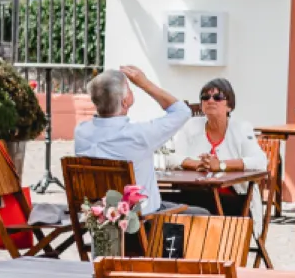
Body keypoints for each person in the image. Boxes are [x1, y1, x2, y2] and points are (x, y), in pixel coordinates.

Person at [74, 64, 201, 215]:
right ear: (125, 101)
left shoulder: (81, 132)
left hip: (103, 220)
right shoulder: (140, 135)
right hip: (144, 222)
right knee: (203, 214)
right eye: (129, 88)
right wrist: (144, 83)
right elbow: (182, 111)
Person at [168, 76, 266, 217]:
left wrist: (221, 165)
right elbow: (171, 157)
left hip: (234, 200)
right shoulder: (191, 125)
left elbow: (260, 162)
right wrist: (196, 164)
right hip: (194, 194)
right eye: (205, 97)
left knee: (179, 207)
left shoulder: (241, 128)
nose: (210, 100)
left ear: (229, 105)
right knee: (160, 202)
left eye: (217, 97)